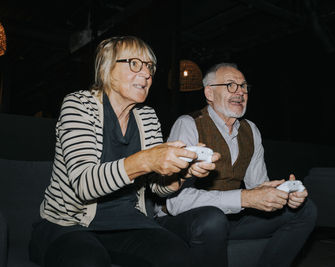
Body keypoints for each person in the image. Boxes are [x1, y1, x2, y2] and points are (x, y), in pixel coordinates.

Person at [29, 36, 220, 267]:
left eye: (149, 66)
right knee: (86, 260)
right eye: (134, 63)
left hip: (127, 223)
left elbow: (157, 187)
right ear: (107, 69)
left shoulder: (147, 117)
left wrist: (182, 173)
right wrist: (146, 160)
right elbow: (83, 184)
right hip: (68, 225)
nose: (147, 73)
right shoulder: (79, 105)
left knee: (177, 256)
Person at [156, 63, 318, 267]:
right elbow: (176, 202)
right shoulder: (189, 124)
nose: (240, 92)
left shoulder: (251, 130)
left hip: (230, 218)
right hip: (179, 220)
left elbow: (258, 186)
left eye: (243, 86)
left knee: (306, 210)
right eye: (231, 85)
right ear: (210, 93)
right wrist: (244, 198)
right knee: (213, 219)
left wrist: (283, 195)